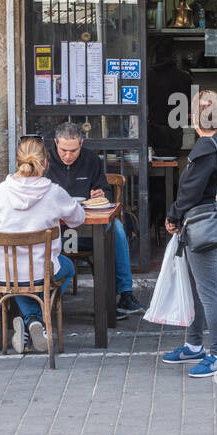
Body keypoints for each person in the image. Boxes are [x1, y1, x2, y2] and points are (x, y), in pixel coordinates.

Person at [161, 89, 217, 378]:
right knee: (197, 287)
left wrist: (172, 215)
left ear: (194, 118)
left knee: (207, 292)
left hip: (201, 226)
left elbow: (189, 192)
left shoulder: (205, 148)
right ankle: (194, 345)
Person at [0, 136, 86, 353]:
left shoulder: (1, 191)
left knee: (19, 277)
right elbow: (78, 219)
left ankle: (29, 321)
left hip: (3, 272)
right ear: (45, 162)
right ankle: (38, 320)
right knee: (66, 268)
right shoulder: (53, 192)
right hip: (42, 270)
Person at [46, 122, 144, 316]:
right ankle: (44, 305)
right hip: (54, 234)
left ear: (81, 143)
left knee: (116, 227)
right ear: (55, 143)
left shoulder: (91, 159)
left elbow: (105, 191)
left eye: (73, 150)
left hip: (88, 229)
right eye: (63, 150)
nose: (68, 155)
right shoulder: (45, 161)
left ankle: (125, 293)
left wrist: (101, 194)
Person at [147, 42, 193, 155]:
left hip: (155, 129)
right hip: (175, 130)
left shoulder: (148, 75)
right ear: (173, 57)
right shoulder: (185, 77)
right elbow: (189, 103)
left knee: (155, 163)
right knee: (174, 161)